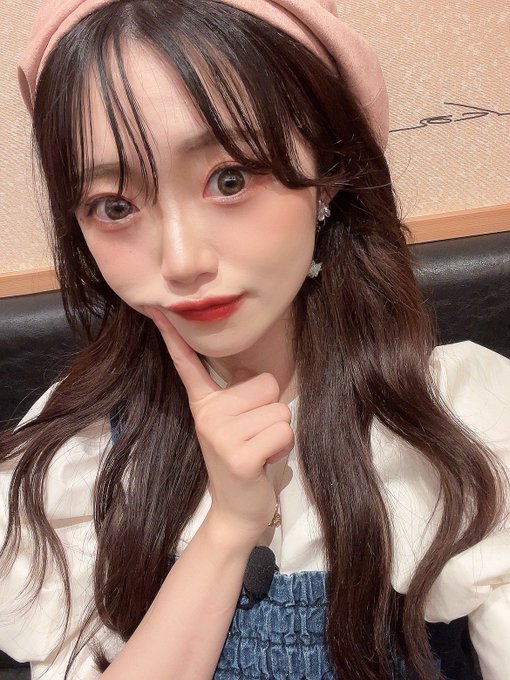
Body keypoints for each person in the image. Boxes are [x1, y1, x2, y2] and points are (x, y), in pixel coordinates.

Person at [1, 1, 509, 678]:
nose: (181, 260)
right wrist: (229, 526)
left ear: (328, 172)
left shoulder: (462, 419)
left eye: (230, 178)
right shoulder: (75, 454)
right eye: (115, 206)